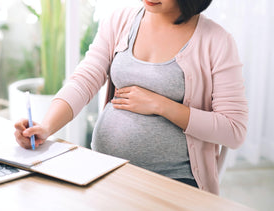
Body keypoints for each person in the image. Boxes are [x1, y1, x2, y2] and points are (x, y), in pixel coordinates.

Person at [14, 0, 248, 195]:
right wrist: (45, 127)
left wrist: (161, 105)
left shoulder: (216, 41)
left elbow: (234, 130)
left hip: (173, 183)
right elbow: (84, 80)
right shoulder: (120, 21)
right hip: (103, 170)